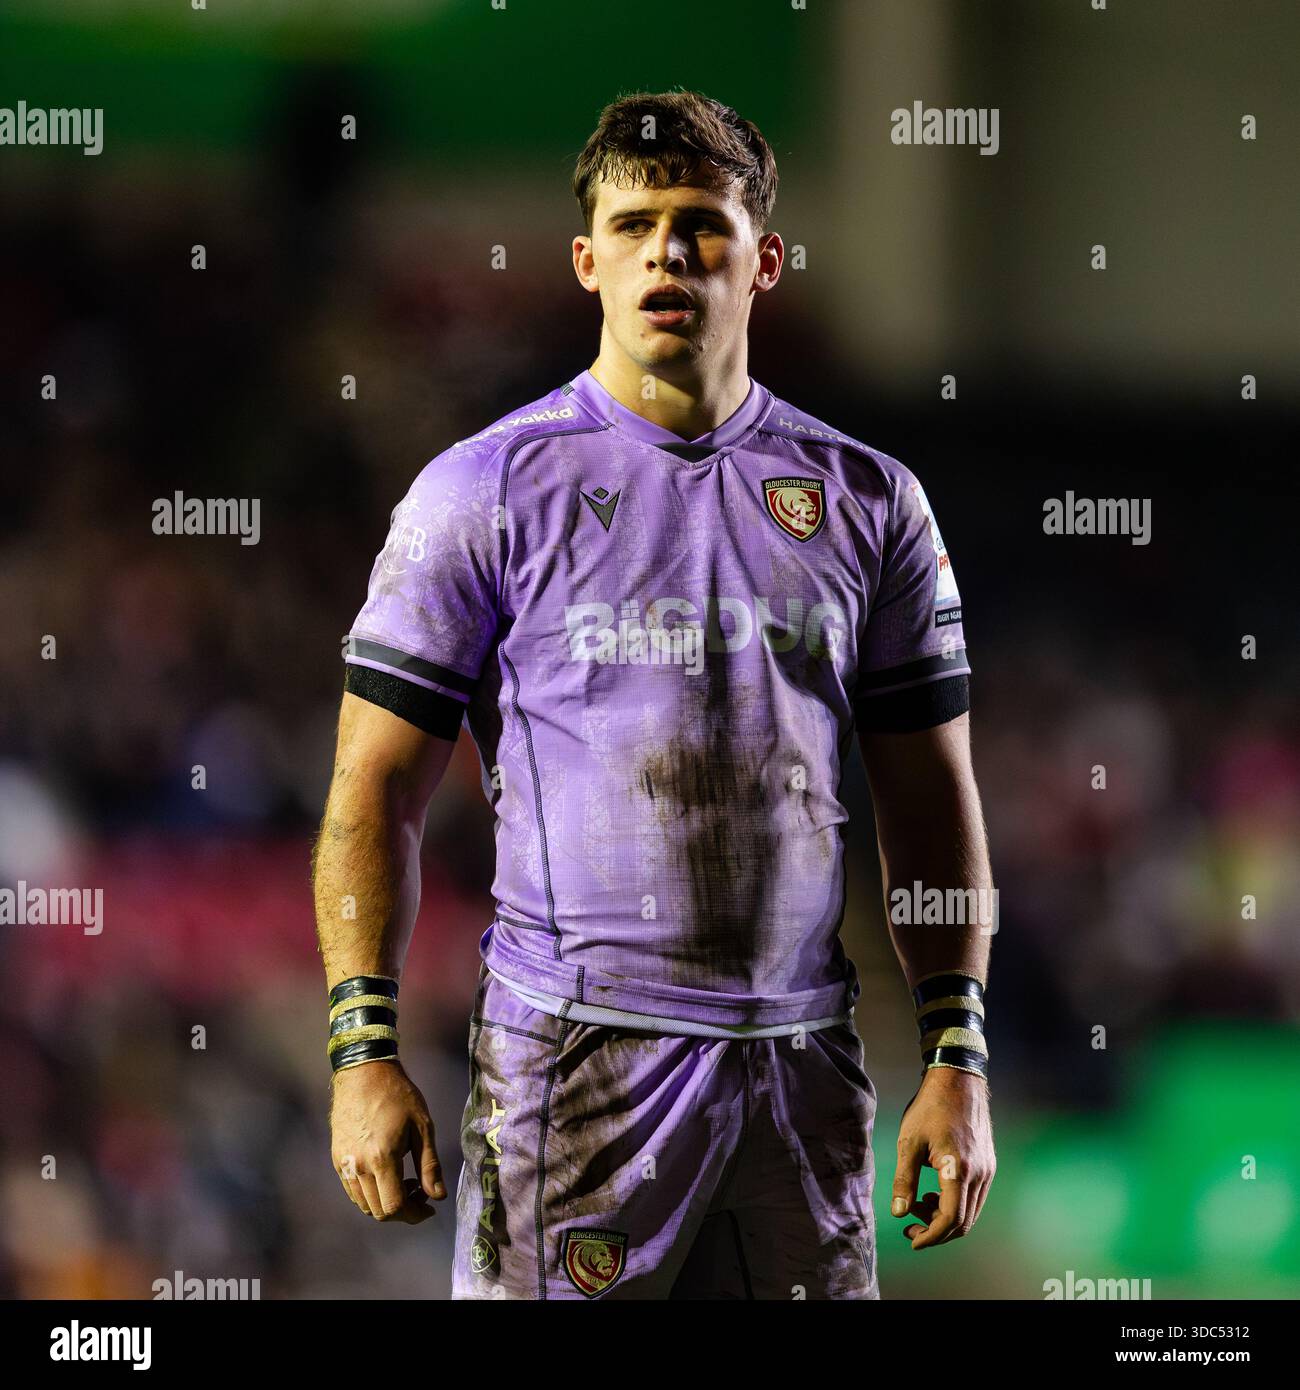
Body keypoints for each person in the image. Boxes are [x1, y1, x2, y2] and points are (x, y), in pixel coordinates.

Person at [313, 89, 995, 1300]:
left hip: (801, 1065)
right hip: (575, 1062)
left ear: (764, 258)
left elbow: (930, 802)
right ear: (588, 260)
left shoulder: (870, 501)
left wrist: (958, 1052)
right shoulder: (482, 492)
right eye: (633, 226)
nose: (667, 251)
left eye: (701, 222)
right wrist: (361, 1050)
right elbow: (373, 789)